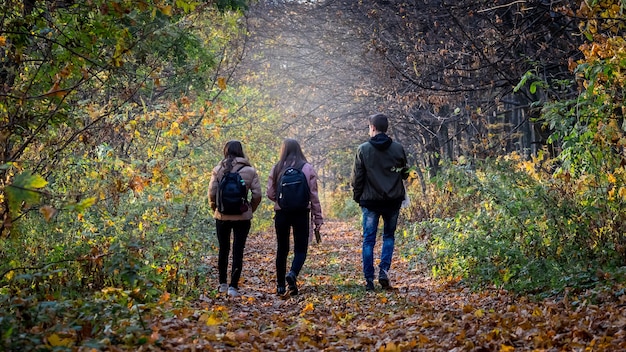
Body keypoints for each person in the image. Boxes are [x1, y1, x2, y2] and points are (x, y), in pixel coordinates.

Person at [351, 113, 408, 291]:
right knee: (388, 237)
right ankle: (384, 271)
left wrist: (357, 196)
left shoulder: (363, 149)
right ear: (386, 128)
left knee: (369, 240)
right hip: (392, 201)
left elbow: (357, 179)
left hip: (370, 202)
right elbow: (405, 173)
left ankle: (369, 279)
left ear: (372, 128)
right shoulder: (398, 149)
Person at [267, 139, 323, 296]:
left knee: (282, 249)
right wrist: (318, 218)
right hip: (301, 213)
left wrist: (282, 199)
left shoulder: (277, 168)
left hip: (282, 213)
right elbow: (314, 196)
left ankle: (280, 286)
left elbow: (270, 193)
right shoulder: (307, 168)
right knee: (300, 249)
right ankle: (292, 274)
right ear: (299, 150)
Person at [208, 140, 262, 297]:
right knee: (238, 250)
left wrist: (216, 209)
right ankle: (233, 287)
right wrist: (250, 208)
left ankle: (222, 284)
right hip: (242, 217)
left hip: (222, 216)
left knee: (223, 249)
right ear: (241, 151)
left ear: (225, 151)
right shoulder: (250, 171)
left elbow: (212, 193)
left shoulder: (218, 170)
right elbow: (257, 194)